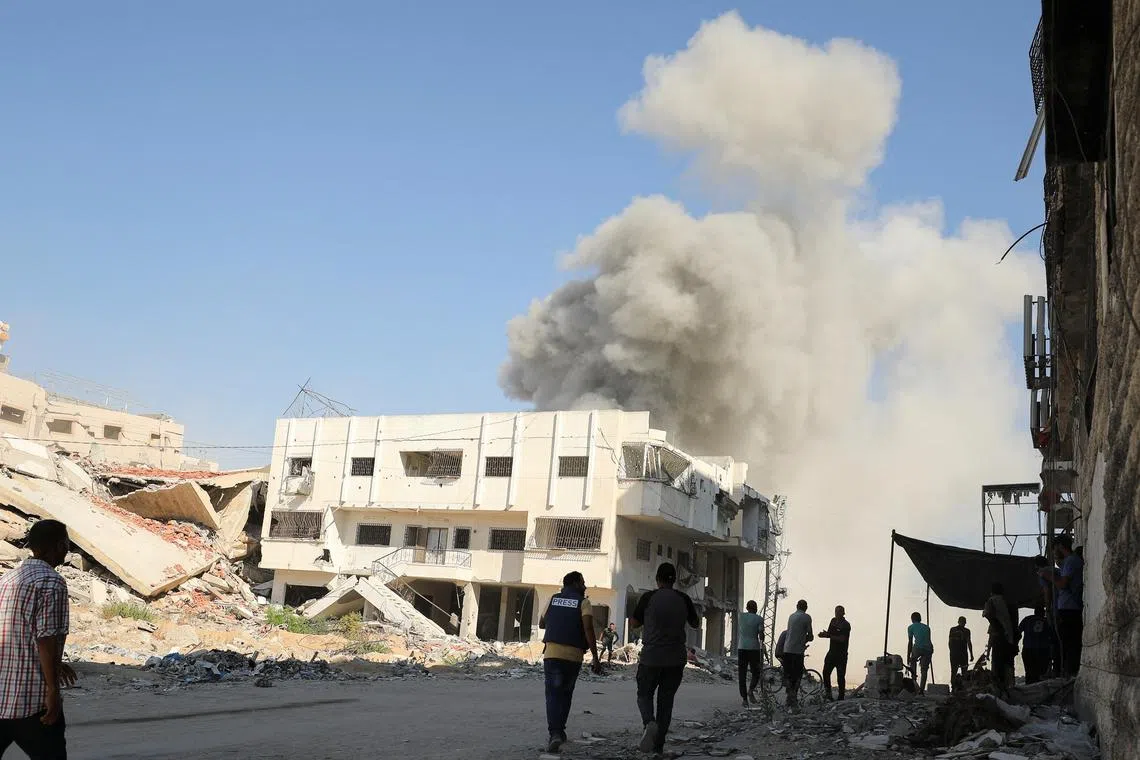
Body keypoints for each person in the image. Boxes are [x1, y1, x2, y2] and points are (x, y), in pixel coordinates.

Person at [0, 519, 76, 760]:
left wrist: (56, 663)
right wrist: (53, 689)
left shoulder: (7, 580)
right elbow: (47, 639)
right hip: (32, 700)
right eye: (65, 544)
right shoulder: (52, 583)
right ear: (57, 546)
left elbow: (16, 633)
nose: (67, 549)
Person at [630, 562, 700, 755]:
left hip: (651, 657)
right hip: (675, 659)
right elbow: (695, 623)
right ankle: (658, 747)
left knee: (644, 694)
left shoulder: (648, 597)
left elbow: (634, 623)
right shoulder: (683, 598)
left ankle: (649, 723)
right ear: (675, 580)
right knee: (666, 701)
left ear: (657, 579)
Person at [538, 571, 602, 753]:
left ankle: (555, 733)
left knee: (553, 694)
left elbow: (542, 624)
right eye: (583, 582)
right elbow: (588, 629)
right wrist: (596, 659)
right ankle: (560, 731)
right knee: (566, 694)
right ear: (575, 584)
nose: (585, 586)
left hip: (552, 653)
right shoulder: (584, 603)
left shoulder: (553, 599)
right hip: (573, 656)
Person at [1039, 535, 1083, 676]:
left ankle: (1070, 674)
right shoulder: (1069, 562)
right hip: (1069, 608)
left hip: (1069, 609)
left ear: (1059, 546)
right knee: (1068, 644)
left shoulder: (1071, 561)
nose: (1053, 553)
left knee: (1069, 645)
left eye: (1054, 549)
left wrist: (1048, 576)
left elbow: (1063, 584)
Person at [983, 582, 1018, 692]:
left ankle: (1000, 691)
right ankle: (1009, 690)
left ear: (992, 592)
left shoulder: (992, 601)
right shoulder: (1011, 603)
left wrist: (996, 627)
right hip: (1010, 639)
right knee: (1008, 666)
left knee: (997, 668)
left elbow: (987, 614)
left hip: (1000, 638)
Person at [782, 600, 813, 707]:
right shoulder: (807, 617)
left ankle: (788, 698)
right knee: (797, 675)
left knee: (789, 674)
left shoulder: (791, 616)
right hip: (797, 651)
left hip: (787, 649)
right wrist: (805, 640)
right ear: (806, 607)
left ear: (796, 606)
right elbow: (811, 635)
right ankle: (793, 697)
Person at [818, 605, 850, 701]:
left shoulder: (846, 624)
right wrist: (824, 635)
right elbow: (829, 634)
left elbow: (842, 639)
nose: (837, 613)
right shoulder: (833, 621)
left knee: (840, 676)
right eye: (836, 611)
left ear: (843, 613)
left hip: (841, 654)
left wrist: (829, 636)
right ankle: (828, 694)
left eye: (839, 611)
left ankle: (841, 697)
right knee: (826, 672)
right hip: (831, 652)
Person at [737, 600, 763, 706]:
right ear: (756, 608)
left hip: (742, 647)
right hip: (754, 648)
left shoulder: (741, 616)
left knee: (742, 674)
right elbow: (761, 635)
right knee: (756, 672)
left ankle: (744, 699)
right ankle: (751, 690)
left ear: (747, 608)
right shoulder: (759, 619)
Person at [1018, 607, 1052, 684]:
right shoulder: (1046, 621)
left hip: (1028, 649)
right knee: (1040, 674)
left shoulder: (1027, 619)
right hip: (1042, 650)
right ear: (1043, 613)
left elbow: (1018, 632)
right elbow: (1052, 636)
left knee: (1029, 674)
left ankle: (1029, 690)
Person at [906, 612, 934, 694]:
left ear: (912, 619)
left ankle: (914, 684)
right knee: (924, 669)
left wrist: (908, 656)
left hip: (918, 647)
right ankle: (921, 690)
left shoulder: (911, 627)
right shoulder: (927, 627)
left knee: (913, 662)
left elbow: (910, 643)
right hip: (928, 649)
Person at [947, 616, 974, 689]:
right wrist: (971, 654)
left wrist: (951, 651)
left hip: (956, 654)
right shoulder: (966, 631)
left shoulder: (953, 629)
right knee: (962, 672)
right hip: (961, 654)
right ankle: (960, 688)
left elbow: (949, 642)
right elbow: (969, 643)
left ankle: (955, 688)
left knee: (955, 671)